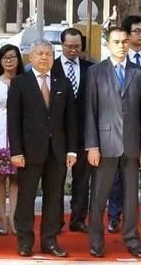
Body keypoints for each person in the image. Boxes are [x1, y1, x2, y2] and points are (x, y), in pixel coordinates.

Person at [84, 26, 141, 259]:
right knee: (99, 197)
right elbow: (90, 111)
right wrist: (92, 145)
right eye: (116, 42)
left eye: (125, 41)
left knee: (131, 198)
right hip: (104, 145)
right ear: (108, 44)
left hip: (133, 146)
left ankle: (132, 240)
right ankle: (96, 241)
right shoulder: (95, 72)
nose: (121, 46)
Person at [7, 39, 77, 258]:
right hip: (28, 152)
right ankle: (25, 241)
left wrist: (72, 150)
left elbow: (71, 121)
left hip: (57, 152)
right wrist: (16, 151)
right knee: (26, 198)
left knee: (54, 199)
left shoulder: (62, 83)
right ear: (31, 57)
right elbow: (14, 121)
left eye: (49, 54)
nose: (44, 57)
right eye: (40, 54)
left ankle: (50, 241)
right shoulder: (20, 83)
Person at [107, 15, 141, 231]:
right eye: (137, 31)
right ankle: (114, 216)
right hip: (119, 127)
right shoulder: (116, 60)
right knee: (117, 173)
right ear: (127, 35)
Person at [50, 27, 93, 232]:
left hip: (84, 133)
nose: (74, 50)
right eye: (69, 46)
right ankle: (55, 220)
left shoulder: (90, 69)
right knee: (56, 179)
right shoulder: (51, 68)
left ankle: (78, 219)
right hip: (58, 134)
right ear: (62, 45)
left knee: (82, 180)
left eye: (77, 46)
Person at [0, 44, 24, 235]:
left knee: (17, 179)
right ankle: (1, 217)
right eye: (4, 57)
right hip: (0, 135)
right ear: (0, 61)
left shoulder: (25, 81)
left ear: (18, 59)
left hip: (20, 137)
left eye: (12, 57)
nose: (8, 60)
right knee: (0, 178)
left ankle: (14, 217)